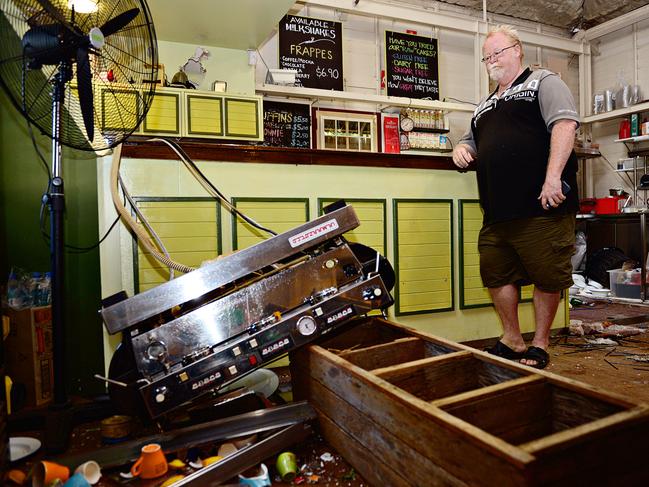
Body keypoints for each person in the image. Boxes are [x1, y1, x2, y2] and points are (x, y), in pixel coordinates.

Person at [452, 25, 579, 369]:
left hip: (542, 205)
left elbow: (565, 125)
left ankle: (540, 342)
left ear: (518, 51)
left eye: (498, 52)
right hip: (497, 213)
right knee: (497, 275)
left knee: (546, 275)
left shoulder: (543, 82)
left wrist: (553, 178)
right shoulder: (484, 105)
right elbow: (470, 140)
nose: (492, 60)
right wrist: (462, 148)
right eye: (487, 57)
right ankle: (513, 339)